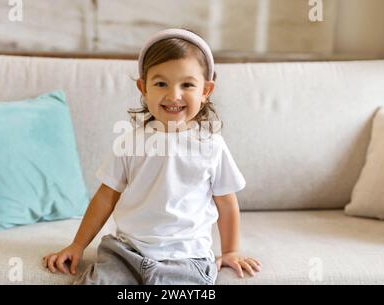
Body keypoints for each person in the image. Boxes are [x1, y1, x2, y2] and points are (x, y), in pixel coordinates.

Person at [43, 28, 261, 285]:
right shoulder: (130, 141)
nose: (173, 95)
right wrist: (78, 244)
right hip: (125, 252)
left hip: (187, 258)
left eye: (187, 85)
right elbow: (105, 196)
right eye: (160, 84)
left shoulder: (212, 145)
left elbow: (227, 203)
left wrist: (230, 251)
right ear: (143, 88)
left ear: (205, 91)